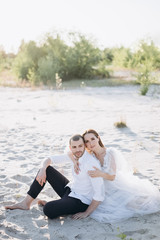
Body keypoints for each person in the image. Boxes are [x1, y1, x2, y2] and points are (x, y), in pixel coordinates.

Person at [5, 134, 105, 220]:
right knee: (47, 169)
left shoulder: (91, 164)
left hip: (80, 201)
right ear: (70, 148)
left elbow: (99, 193)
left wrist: (86, 213)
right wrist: (43, 169)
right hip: (70, 191)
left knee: (48, 209)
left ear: (84, 146)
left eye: (80, 146)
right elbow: (49, 159)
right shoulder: (74, 156)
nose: (78, 149)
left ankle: (59, 203)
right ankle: (26, 203)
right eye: (74, 147)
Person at [73, 129, 160, 223]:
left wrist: (100, 174)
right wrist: (75, 162)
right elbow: (71, 152)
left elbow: (112, 177)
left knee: (138, 204)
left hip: (116, 184)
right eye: (87, 141)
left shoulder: (110, 153)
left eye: (92, 139)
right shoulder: (89, 155)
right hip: (103, 188)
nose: (91, 143)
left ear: (98, 138)